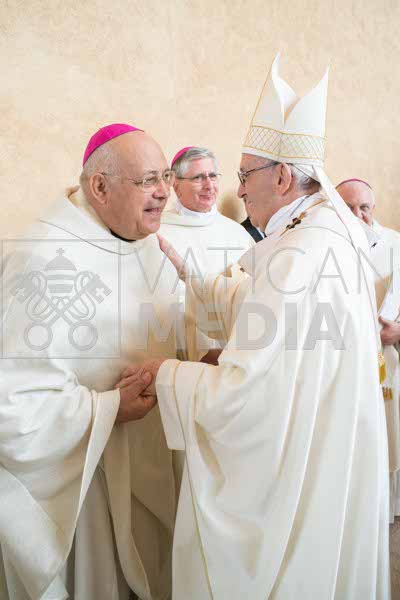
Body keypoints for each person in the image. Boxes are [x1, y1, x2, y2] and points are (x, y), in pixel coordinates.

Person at [118, 54, 390, 598]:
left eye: (244, 176)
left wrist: (168, 375)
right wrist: (196, 279)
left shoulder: (300, 252)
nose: (238, 191)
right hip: (331, 439)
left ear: (283, 176)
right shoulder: (326, 233)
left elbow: (242, 395)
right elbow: (274, 317)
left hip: (303, 458)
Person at [0, 124, 180, 600]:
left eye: (166, 176)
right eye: (148, 180)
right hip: (86, 483)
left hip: (151, 460)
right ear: (100, 187)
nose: (165, 192)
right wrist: (107, 408)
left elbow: (166, 330)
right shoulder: (43, 258)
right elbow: (13, 405)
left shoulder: (151, 246)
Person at [338, 177, 400, 520]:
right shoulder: (328, 246)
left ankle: (388, 507)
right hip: (344, 360)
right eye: (348, 207)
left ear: (373, 208)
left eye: (364, 207)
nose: (357, 215)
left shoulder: (395, 244)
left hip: (389, 358)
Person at [160, 146, 253, 360]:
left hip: (236, 347)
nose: (209, 185)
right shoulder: (160, 233)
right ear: (176, 184)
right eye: (198, 178)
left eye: (212, 176)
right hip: (182, 348)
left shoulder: (237, 233)